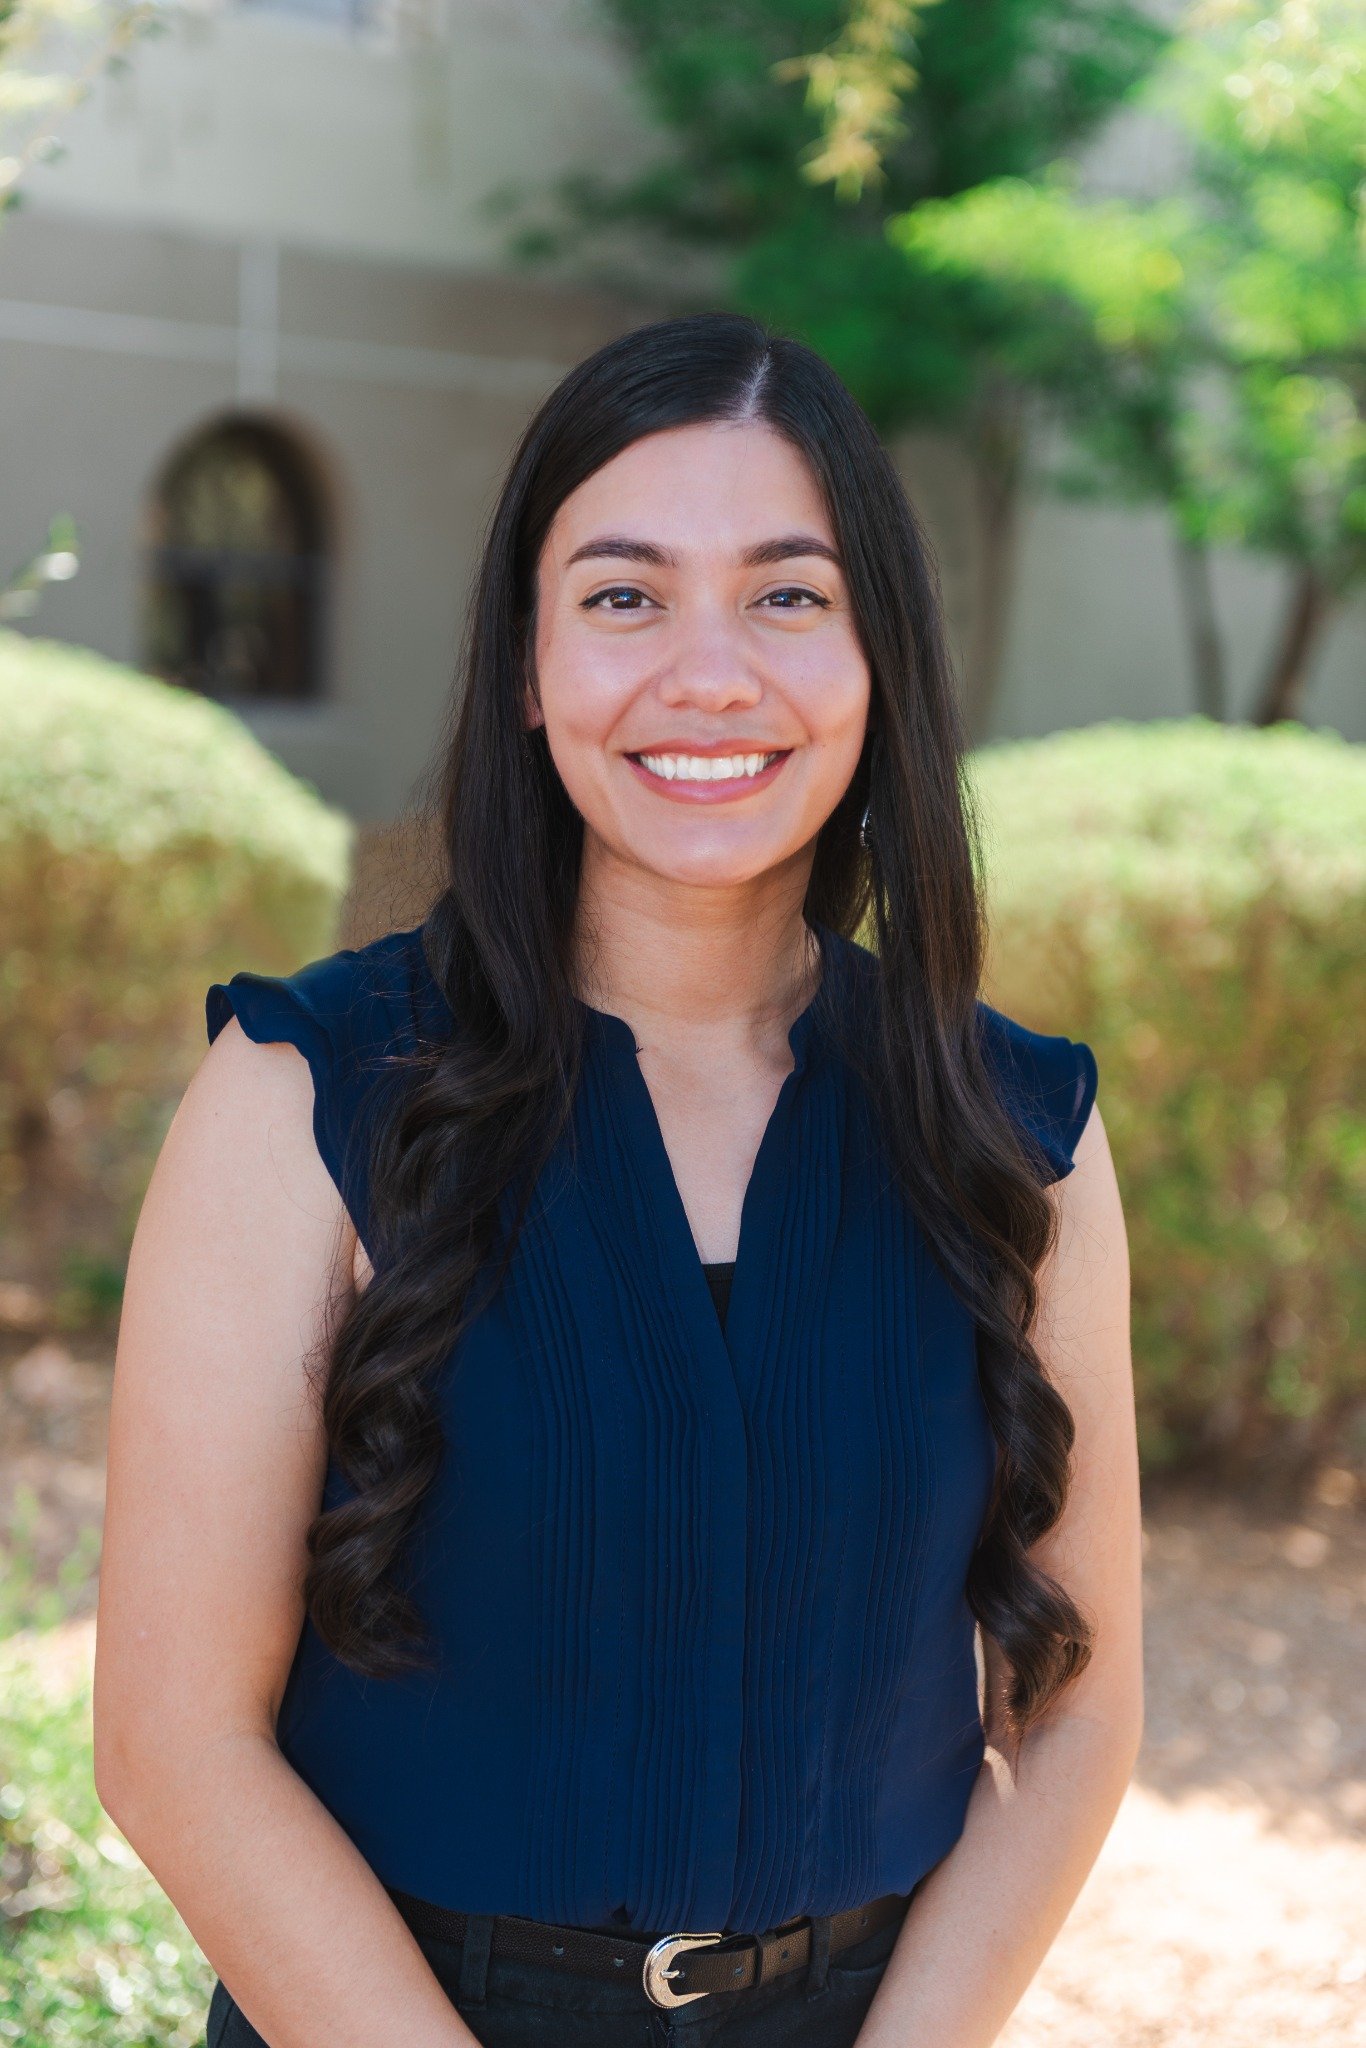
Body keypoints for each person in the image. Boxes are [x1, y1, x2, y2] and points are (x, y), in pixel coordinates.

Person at [93, 312, 1141, 2048]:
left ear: (880, 652)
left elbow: (1076, 1711)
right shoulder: (304, 1096)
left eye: (788, 595)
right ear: (526, 661)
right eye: (624, 595)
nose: (709, 674)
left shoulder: (1013, 1126)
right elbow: (172, 1742)